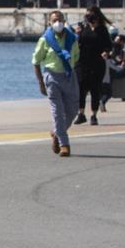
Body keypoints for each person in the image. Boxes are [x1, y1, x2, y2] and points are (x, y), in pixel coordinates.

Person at [31, 8, 80, 157]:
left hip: (68, 76)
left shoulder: (72, 39)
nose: (58, 23)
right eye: (54, 20)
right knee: (57, 112)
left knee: (72, 111)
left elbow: (76, 57)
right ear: (49, 23)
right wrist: (40, 82)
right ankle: (64, 144)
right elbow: (36, 61)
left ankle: (56, 133)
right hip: (52, 77)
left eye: (60, 20)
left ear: (64, 22)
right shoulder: (45, 40)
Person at [75, 5, 114, 126]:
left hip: (97, 63)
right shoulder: (84, 28)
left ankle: (94, 115)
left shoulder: (102, 30)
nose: (88, 17)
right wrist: (77, 34)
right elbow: (77, 43)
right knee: (81, 89)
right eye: (87, 15)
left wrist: (106, 52)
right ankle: (81, 114)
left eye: (90, 14)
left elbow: (109, 45)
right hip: (82, 63)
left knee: (95, 89)